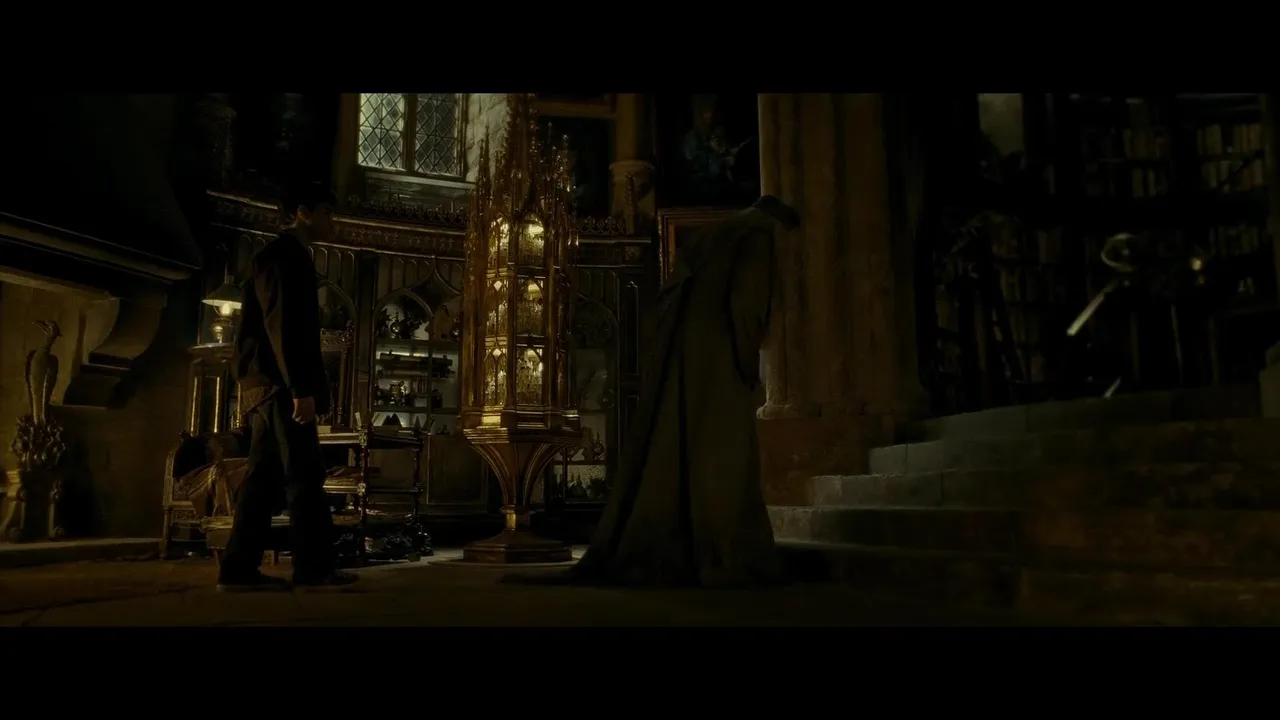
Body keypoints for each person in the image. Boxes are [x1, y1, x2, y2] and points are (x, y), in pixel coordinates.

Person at [514, 195, 801, 587]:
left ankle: (692, 546)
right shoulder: (759, 237)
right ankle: (722, 553)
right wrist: (748, 364)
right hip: (719, 360)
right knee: (722, 454)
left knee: (682, 444)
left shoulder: (718, 234)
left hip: (684, 354)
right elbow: (747, 306)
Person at [217, 182, 356, 592]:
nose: (333, 221)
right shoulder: (284, 257)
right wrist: (300, 388)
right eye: (327, 212)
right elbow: (284, 325)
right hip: (278, 384)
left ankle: (238, 570)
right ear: (302, 212)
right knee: (304, 474)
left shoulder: (285, 256)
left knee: (264, 477)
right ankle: (313, 569)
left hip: (270, 381)